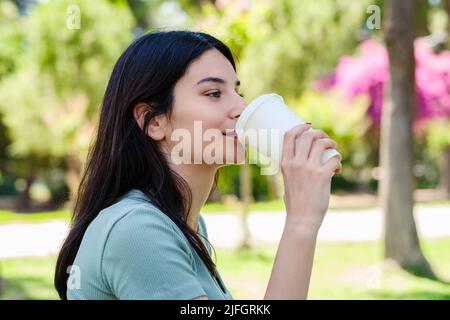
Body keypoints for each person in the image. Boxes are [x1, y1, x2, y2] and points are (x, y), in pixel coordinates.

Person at [54, 30, 342, 300]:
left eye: (237, 92)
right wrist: (301, 222)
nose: (241, 108)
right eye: (214, 94)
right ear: (153, 121)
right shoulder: (137, 229)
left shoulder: (183, 221)